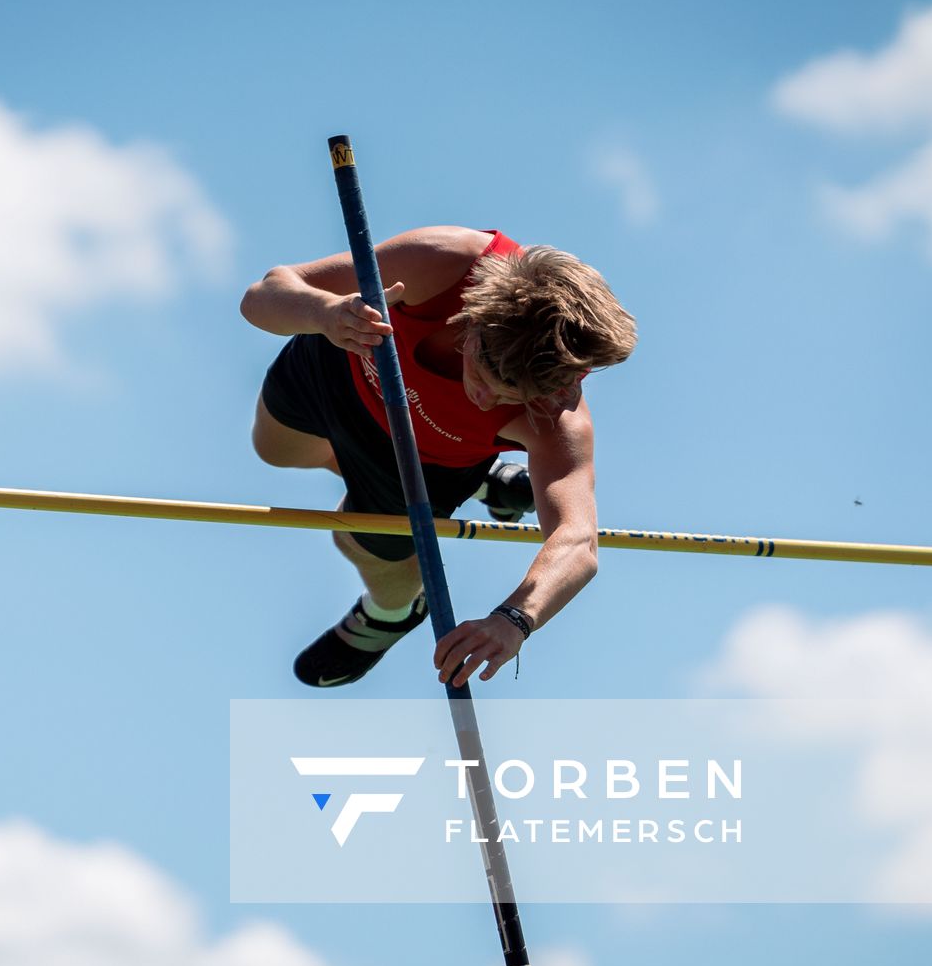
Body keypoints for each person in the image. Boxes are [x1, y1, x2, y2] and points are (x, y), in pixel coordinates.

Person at [242, 226, 636, 688]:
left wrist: (514, 620)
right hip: (339, 362)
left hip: (427, 462)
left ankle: (391, 612)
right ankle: (489, 477)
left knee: (355, 540)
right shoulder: (444, 262)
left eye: (512, 396)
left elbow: (578, 542)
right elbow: (262, 295)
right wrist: (326, 311)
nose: (486, 401)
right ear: (473, 320)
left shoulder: (555, 416)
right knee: (274, 451)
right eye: (485, 375)